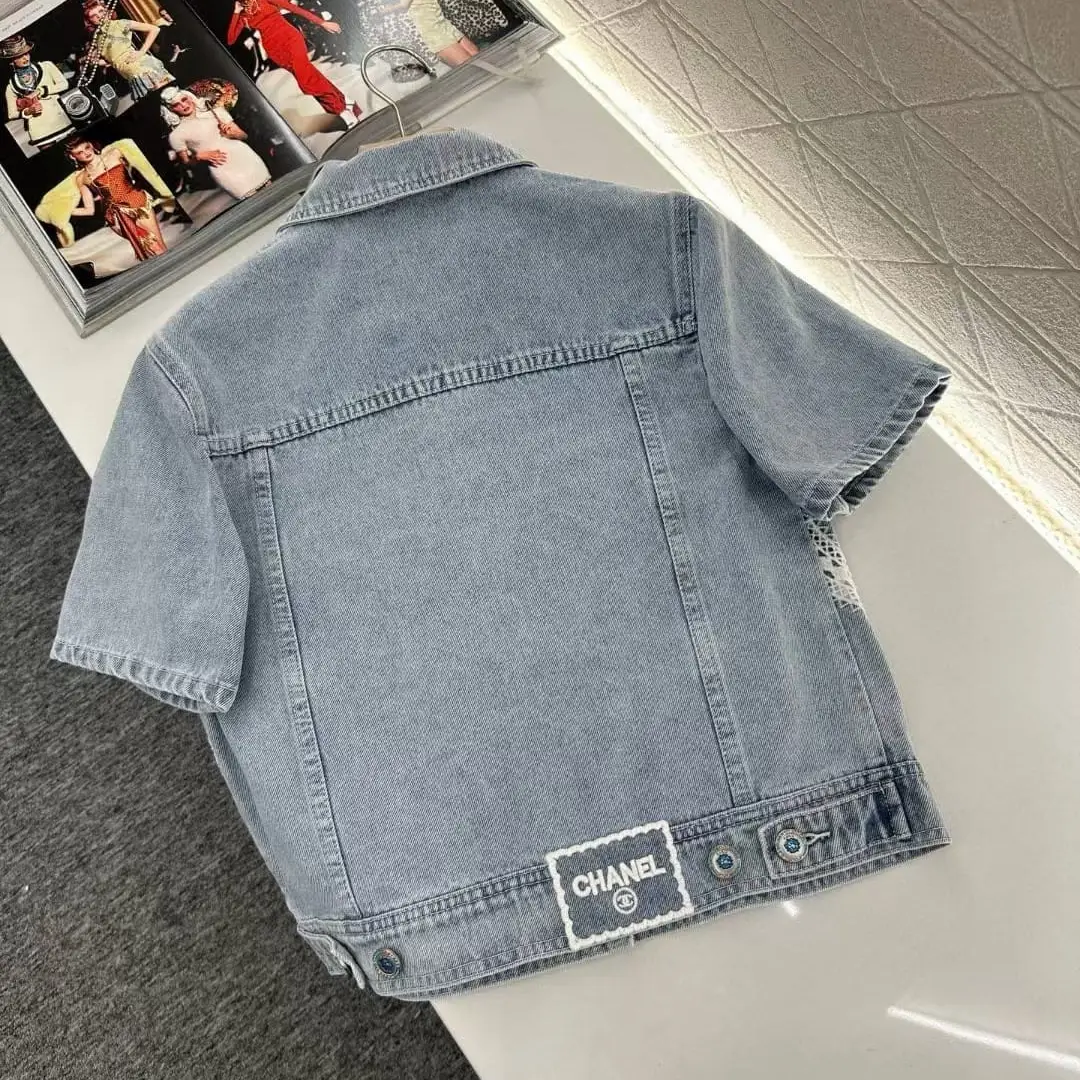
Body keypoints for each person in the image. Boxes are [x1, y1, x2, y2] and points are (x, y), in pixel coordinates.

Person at [226, 0, 362, 125]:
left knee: (306, 81)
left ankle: (342, 111)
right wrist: (236, 11)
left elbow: (293, 8)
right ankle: (346, 102)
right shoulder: (242, 15)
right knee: (310, 75)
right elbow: (230, 39)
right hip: (275, 49)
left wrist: (322, 23)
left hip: (289, 38)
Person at [61, 135, 173, 260]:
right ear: (73, 157)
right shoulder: (81, 178)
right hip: (116, 218)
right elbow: (89, 210)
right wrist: (66, 212)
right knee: (148, 250)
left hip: (137, 203)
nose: (86, 153)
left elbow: (143, 168)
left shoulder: (115, 153)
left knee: (158, 247)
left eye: (87, 147)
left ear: (91, 145)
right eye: (80, 152)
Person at [161, 85, 270, 200]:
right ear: (171, 109)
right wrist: (198, 157)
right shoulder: (176, 135)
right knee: (251, 200)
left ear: (190, 97)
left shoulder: (217, 112)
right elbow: (187, 162)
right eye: (176, 105)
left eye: (184, 99)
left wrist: (231, 133)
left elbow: (244, 136)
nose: (183, 105)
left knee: (272, 191)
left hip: (244, 156)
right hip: (221, 168)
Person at [81, 0, 174, 99]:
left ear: (107, 11)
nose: (99, 16)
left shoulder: (120, 24)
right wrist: (96, 62)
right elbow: (112, 60)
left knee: (169, 96)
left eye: (101, 11)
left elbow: (154, 29)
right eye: (93, 16)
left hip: (143, 69)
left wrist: (141, 51)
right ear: (90, 21)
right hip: (131, 75)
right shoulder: (98, 38)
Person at [1, 33, 73, 149]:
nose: (25, 58)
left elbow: (64, 84)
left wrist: (41, 90)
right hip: (39, 130)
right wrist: (28, 111)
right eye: (19, 56)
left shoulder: (46, 66)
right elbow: (12, 114)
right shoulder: (11, 86)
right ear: (11, 61)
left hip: (61, 119)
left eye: (26, 53)